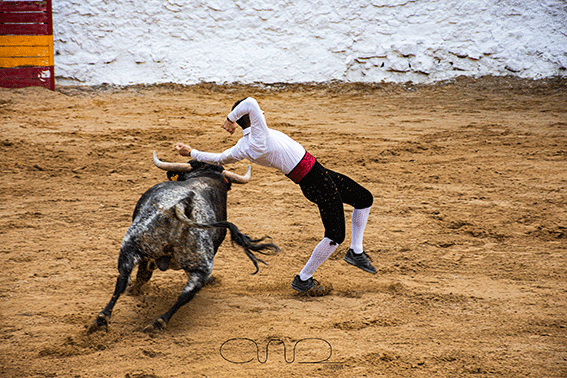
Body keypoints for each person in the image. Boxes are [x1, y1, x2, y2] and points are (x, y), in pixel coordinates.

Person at [175, 97, 375, 295]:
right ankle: (304, 279)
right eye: (258, 112)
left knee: (364, 198)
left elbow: (219, 158)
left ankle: (356, 251)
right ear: (252, 118)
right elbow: (251, 103)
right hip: (316, 181)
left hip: (317, 175)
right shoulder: (258, 137)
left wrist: (192, 152)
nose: (262, 112)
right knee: (335, 235)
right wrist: (230, 118)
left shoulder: (244, 145)